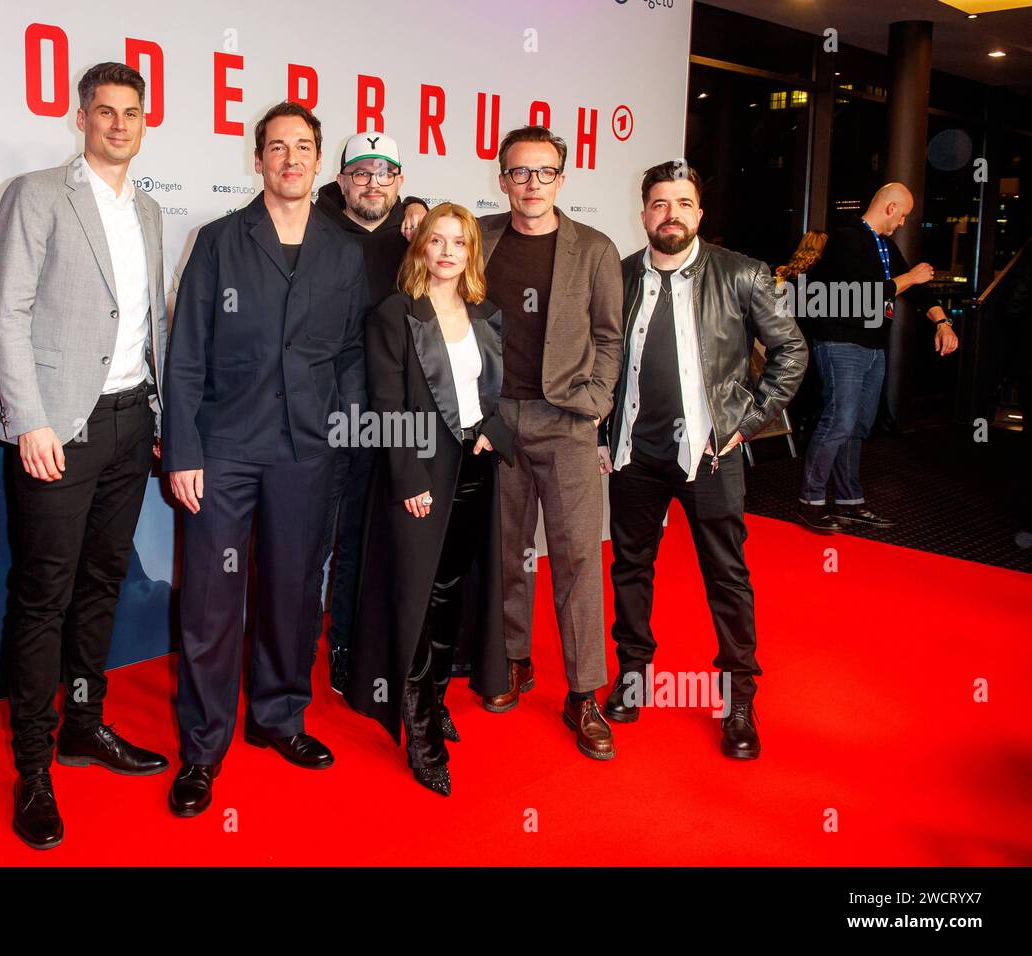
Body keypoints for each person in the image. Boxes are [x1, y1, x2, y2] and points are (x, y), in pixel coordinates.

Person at [161, 102, 369, 817]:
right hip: (224, 448)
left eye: (302, 147)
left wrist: (342, 431)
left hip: (308, 451)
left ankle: (278, 716)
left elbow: (349, 355)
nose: (289, 159)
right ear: (256, 160)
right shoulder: (217, 241)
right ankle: (202, 746)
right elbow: (185, 355)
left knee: (292, 591)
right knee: (211, 604)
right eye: (276, 147)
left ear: (318, 163)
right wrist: (184, 448)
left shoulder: (344, 251)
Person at [0, 63, 170, 851]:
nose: (119, 125)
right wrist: (29, 419)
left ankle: (84, 724)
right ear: (81, 117)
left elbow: (148, 321)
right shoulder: (37, 193)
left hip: (133, 424)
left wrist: (162, 413)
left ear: (143, 121)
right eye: (105, 112)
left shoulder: (153, 210)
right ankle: (33, 767)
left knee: (101, 584)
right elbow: (9, 310)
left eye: (132, 113)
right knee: (42, 597)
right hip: (60, 428)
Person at [597, 160, 807, 760]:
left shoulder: (742, 274)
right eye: (660, 204)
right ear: (643, 214)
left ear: (699, 213)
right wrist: (601, 431)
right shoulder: (619, 276)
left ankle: (738, 697)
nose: (671, 214)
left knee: (727, 576)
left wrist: (746, 420)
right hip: (635, 454)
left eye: (683, 203)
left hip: (711, 456)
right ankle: (632, 674)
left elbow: (790, 350)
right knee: (630, 569)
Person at [346, 204, 513, 796]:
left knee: (450, 594)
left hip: (475, 466)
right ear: (418, 248)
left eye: (459, 243)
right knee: (415, 597)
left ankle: (436, 698)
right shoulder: (394, 315)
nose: (447, 252)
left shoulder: (487, 314)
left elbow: (496, 389)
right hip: (420, 472)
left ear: (471, 252)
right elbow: (386, 408)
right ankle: (419, 730)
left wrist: (495, 427)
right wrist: (410, 479)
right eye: (436, 241)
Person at [476, 126, 624, 762]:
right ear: (501, 178)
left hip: (566, 422)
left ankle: (584, 691)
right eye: (518, 172)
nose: (530, 184)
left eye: (543, 172)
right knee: (508, 553)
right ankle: (514, 660)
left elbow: (611, 339)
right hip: (498, 421)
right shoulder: (477, 237)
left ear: (562, 178)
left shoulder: (594, 248)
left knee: (577, 561)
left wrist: (593, 405)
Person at [312, 133, 426, 695]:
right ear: (341, 182)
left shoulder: (417, 239)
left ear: (400, 183)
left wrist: (419, 212)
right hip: (323, 415)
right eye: (360, 173)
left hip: (393, 418)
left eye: (384, 173)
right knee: (310, 537)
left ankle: (349, 644)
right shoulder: (314, 228)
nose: (372, 182)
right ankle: (294, 649)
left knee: (364, 536)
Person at [798, 183, 959, 532]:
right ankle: (810, 501)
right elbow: (864, 294)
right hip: (840, 342)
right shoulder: (846, 238)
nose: (902, 222)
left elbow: (916, 289)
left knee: (857, 426)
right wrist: (910, 277)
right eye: (902, 215)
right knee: (839, 421)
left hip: (872, 347)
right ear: (889, 208)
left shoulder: (884, 246)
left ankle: (848, 502)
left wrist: (942, 322)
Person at [775, 230, 828, 441]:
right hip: (814, 335)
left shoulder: (788, 273)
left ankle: (795, 428)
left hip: (792, 336)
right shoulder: (822, 273)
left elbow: (781, 307)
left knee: (797, 385)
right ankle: (808, 429)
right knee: (815, 386)